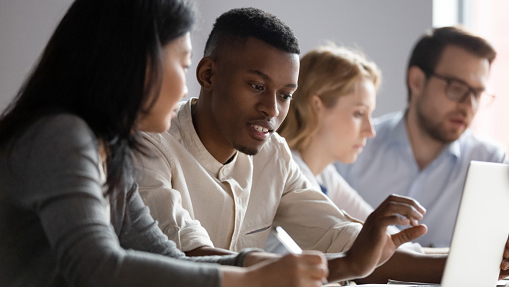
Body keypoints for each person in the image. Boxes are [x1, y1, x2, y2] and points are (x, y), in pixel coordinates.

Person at [0, 1, 332, 286]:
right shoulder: (61, 134)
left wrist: (250, 265)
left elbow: (168, 258)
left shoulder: (110, 150)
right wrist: (249, 279)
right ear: (137, 60)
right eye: (184, 64)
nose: (188, 88)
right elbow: (95, 267)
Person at [135, 7, 461, 284]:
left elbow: (344, 241)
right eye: (257, 86)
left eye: (285, 95)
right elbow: (190, 258)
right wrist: (346, 263)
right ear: (208, 75)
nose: (272, 109)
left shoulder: (273, 153)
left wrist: (472, 264)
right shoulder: (151, 146)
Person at [335, 26, 509, 248]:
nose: (469, 106)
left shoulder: (490, 162)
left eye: (477, 93)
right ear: (416, 81)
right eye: (457, 88)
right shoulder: (355, 146)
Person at [276, 44, 423, 254]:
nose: (370, 130)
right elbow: (362, 247)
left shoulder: (325, 175)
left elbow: (389, 238)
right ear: (316, 106)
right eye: (358, 114)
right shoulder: (291, 171)